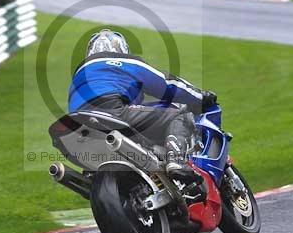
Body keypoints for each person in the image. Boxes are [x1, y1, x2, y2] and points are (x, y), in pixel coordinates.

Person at [68, 29, 217, 186]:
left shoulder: (80, 73)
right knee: (178, 114)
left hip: (78, 125)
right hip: (113, 111)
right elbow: (167, 84)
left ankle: (94, 174)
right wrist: (201, 96)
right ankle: (176, 160)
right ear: (121, 48)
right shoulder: (128, 63)